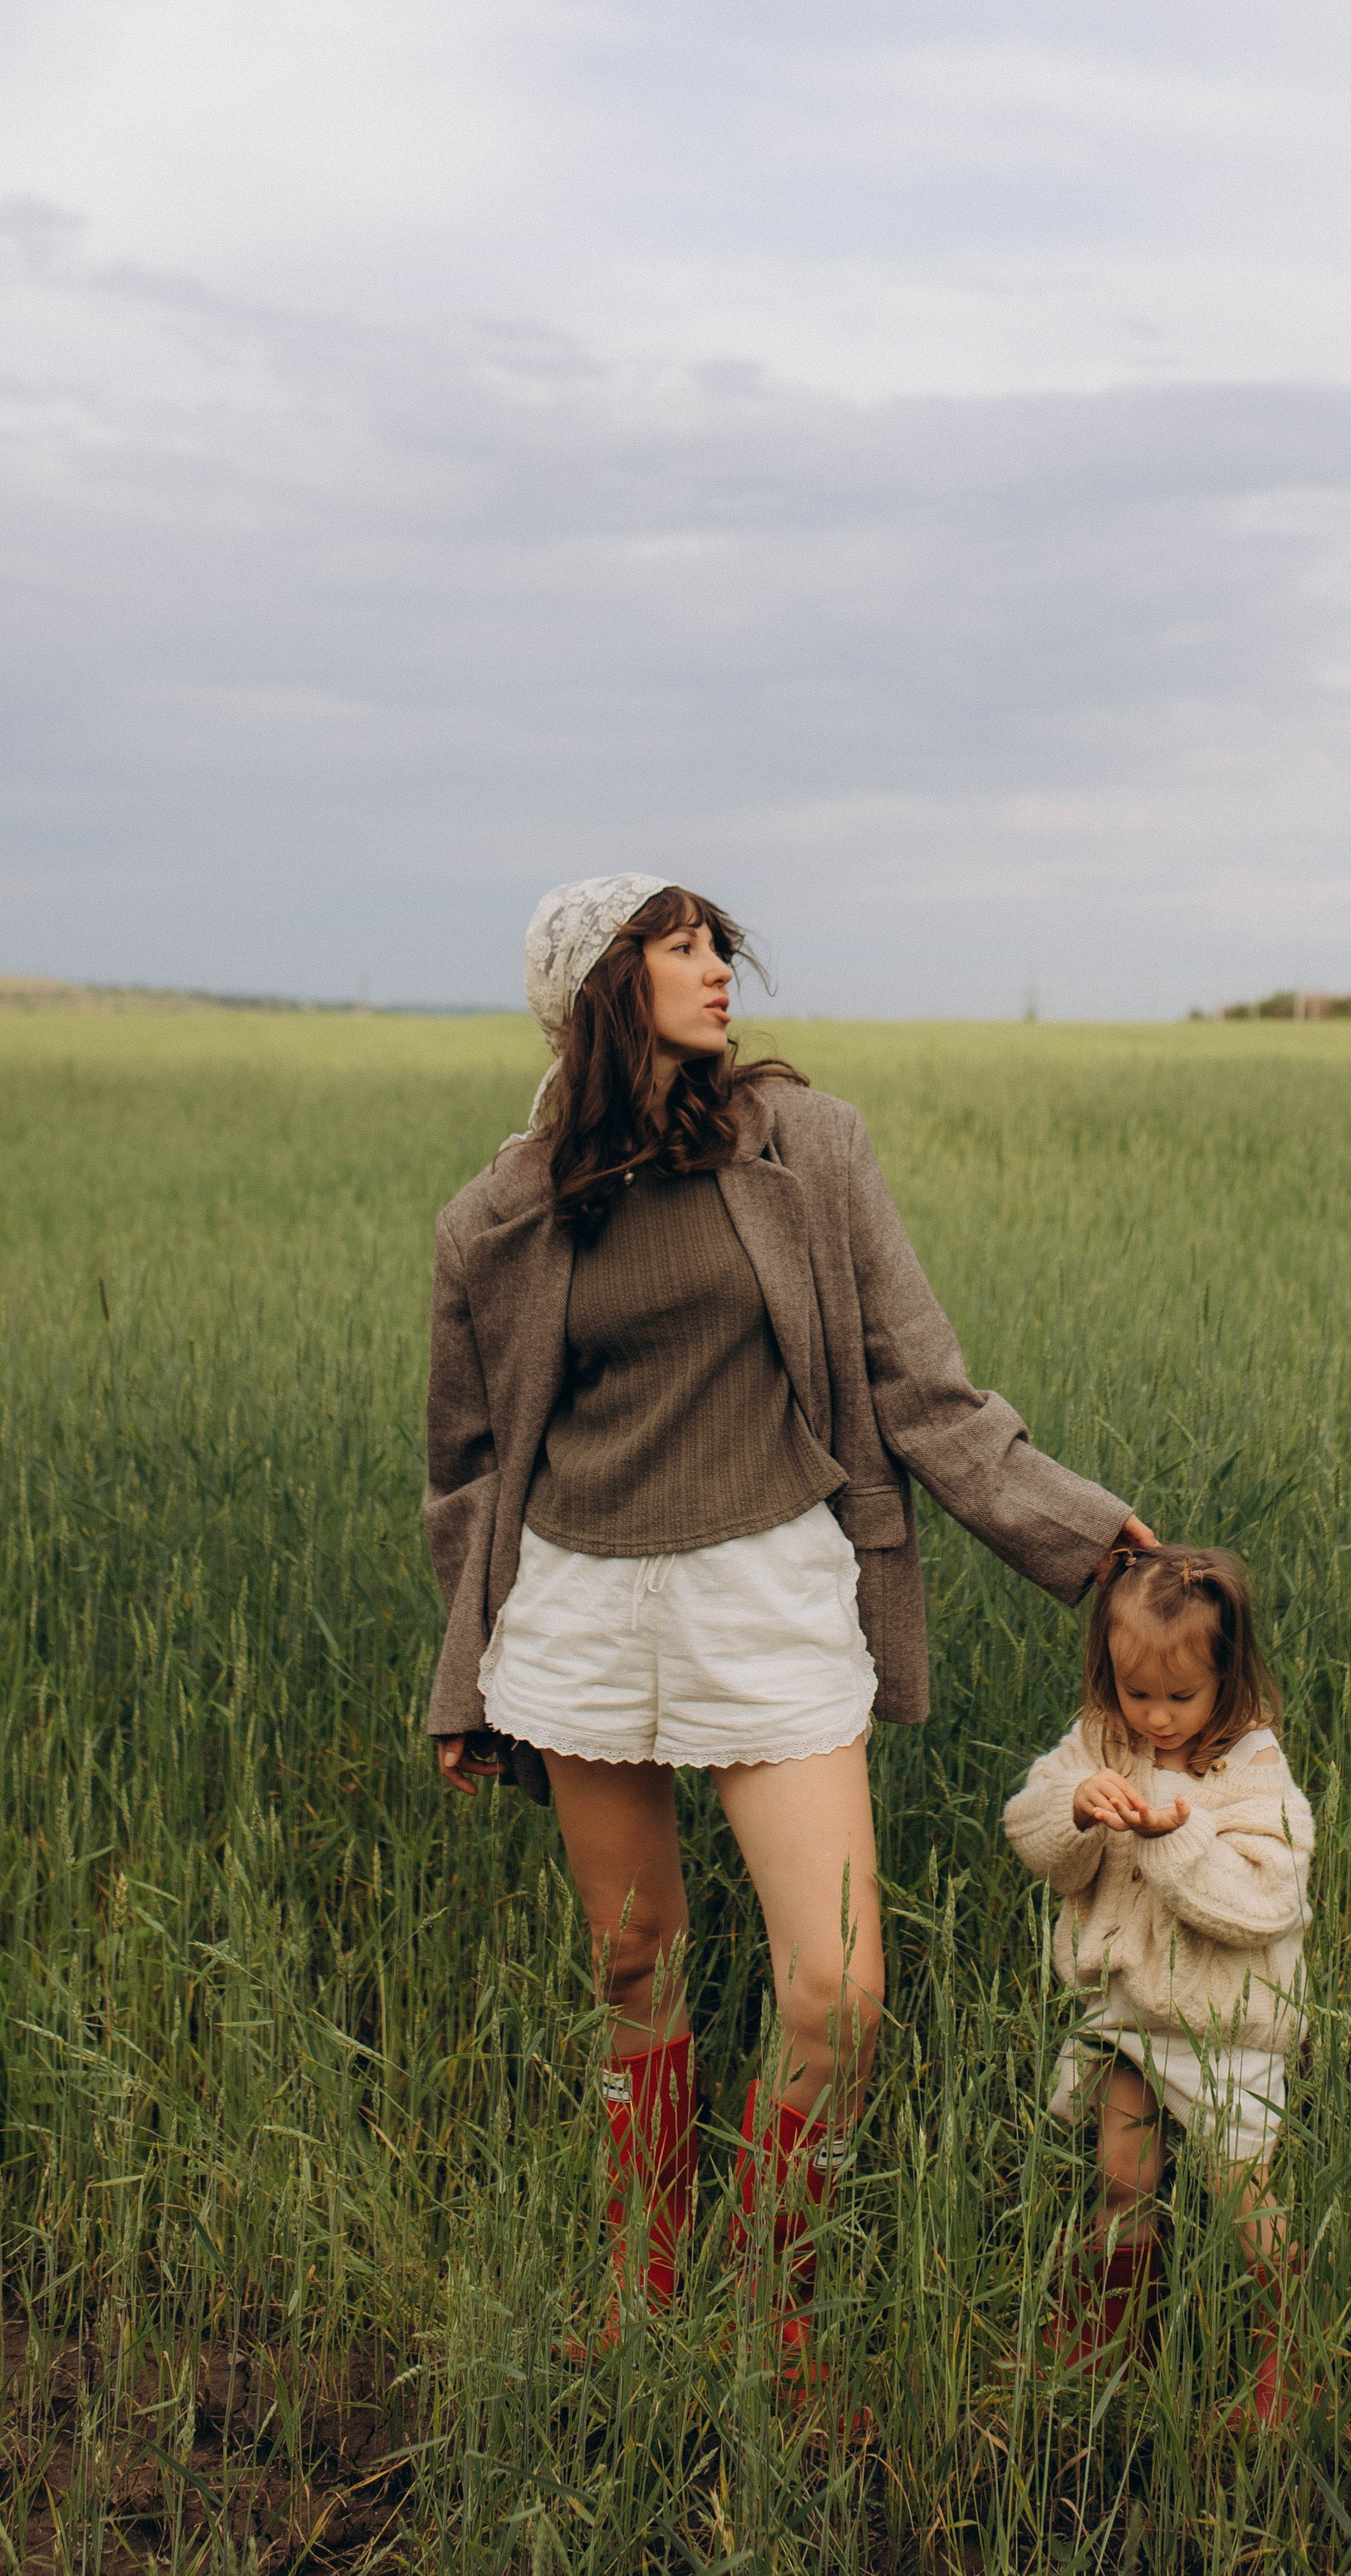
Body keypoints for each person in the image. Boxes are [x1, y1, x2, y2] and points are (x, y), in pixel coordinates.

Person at [424, 871, 1153, 2371]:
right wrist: (463, 1682)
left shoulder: (808, 1148)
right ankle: (645, 2285)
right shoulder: (498, 1215)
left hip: (768, 1594)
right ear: (598, 992)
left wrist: (1078, 1532)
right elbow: (471, 1470)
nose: (717, 969)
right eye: (679, 949)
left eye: (715, 945)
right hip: (576, 1609)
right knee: (638, 1968)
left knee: (839, 1991)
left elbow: (919, 1384)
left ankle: (777, 2304)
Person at [1001, 1543, 1315, 2433]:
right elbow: (1029, 1829)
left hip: (1223, 2028)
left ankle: (1286, 2347)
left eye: (1181, 1697)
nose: (1157, 1716)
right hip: (1126, 2014)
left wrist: (1176, 1837)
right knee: (1121, 2175)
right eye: (1137, 1693)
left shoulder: (1253, 1770)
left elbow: (1266, 1903)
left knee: (1244, 2194)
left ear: (1229, 1677)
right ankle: (1115, 2333)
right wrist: (1074, 1803)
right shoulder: (1103, 1739)